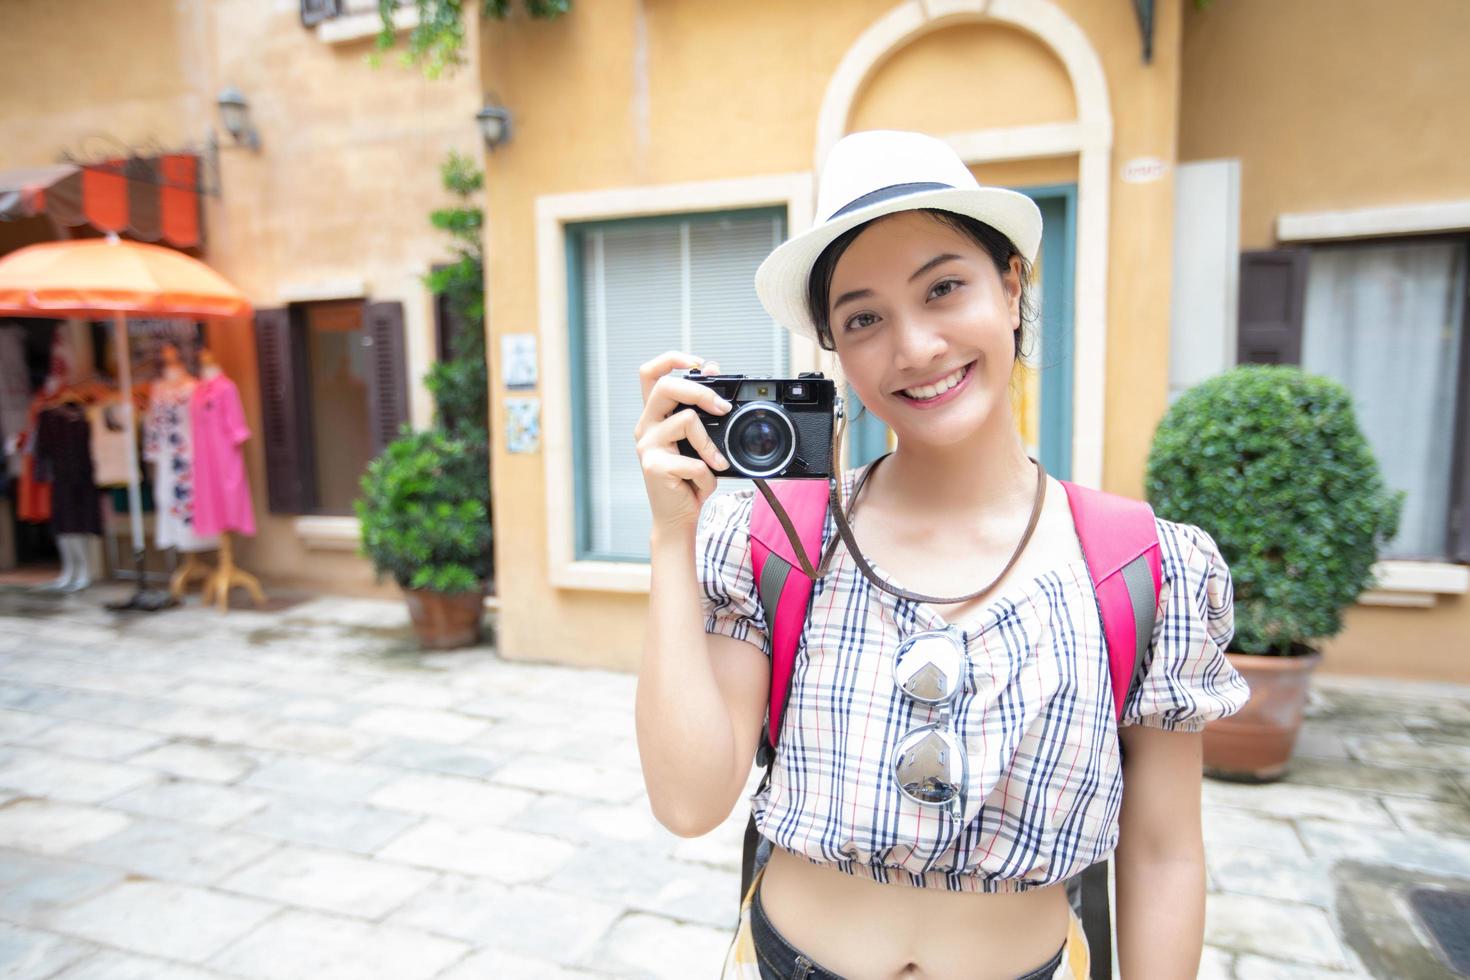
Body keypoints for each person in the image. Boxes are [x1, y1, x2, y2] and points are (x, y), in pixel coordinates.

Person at [633, 130, 1251, 980]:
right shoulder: (772, 541)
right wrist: (674, 536)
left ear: (1009, 287)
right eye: (864, 318)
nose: (915, 346)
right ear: (836, 352)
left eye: (944, 288)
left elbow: (1164, 852)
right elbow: (688, 801)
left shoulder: (1141, 565)